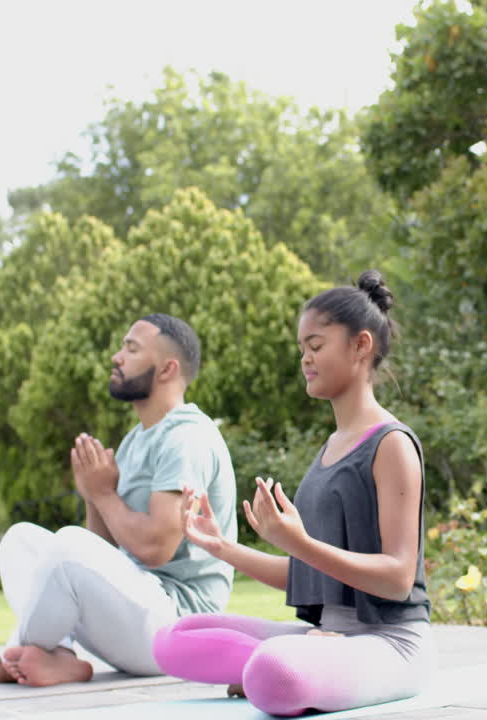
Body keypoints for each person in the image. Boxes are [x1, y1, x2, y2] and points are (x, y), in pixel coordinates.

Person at [151, 270, 432, 717]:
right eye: (302, 349)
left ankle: (287, 670)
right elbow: (310, 573)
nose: (305, 359)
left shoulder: (392, 444)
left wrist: (299, 543)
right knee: (173, 640)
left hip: (390, 643)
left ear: (361, 346)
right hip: (327, 638)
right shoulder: (329, 450)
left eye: (316, 346)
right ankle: (299, 666)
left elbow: (397, 578)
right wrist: (221, 547)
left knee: (273, 675)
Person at [0, 313, 237, 687]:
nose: (117, 357)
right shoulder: (137, 438)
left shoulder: (186, 438)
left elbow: (155, 547)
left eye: (131, 349)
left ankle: (12, 658)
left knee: (67, 543)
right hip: (136, 614)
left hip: (177, 629)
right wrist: (93, 496)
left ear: (167, 369)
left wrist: (103, 493)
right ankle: (58, 657)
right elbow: (104, 550)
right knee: (21, 541)